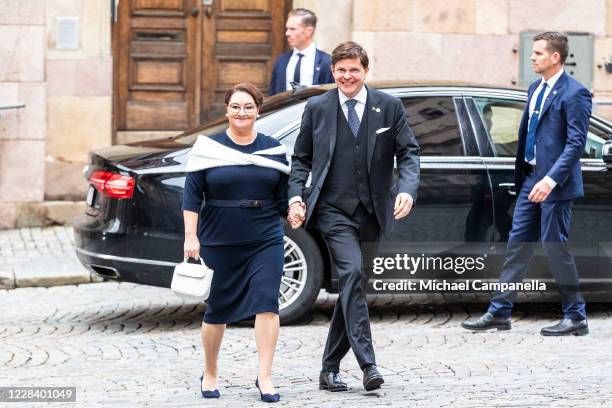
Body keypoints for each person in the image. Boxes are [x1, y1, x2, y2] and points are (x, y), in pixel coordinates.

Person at [287, 41, 420, 392]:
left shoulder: (388, 107)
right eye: (341, 70)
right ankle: (369, 364)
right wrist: (295, 197)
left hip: (373, 211)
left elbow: (408, 152)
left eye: (354, 70)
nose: (347, 76)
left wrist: (406, 189)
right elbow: (301, 158)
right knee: (352, 272)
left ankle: (329, 368)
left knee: (353, 286)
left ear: (365, 71)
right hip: (332, 209)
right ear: (333, 71)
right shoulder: (318, 107)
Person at [462, 32, 592, 336]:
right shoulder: (535, 88)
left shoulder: (576, 94)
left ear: (555, 57)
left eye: (537, 53)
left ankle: (576, 316)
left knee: (554, 246)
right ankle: (499, 312)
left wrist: (550, 180)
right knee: (517, 244)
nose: (532, 58)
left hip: (555, 185)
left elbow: (575, 145)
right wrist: (532, 177)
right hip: (530, 180)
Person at [182, 83, 289, 402]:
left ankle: (265, 377)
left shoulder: (274, 150)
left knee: (268, 303)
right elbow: (191, 196)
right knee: (218, 310)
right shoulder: (207, 148)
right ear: (227, 110)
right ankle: (211, 371)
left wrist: (296, 209)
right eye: (236, 106)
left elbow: (283, 199)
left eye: (248, 107)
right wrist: (191, 237)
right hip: (219, 238)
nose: (242, 112)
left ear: (259, 111)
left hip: (265, 238)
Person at [268, 8, 334, 96]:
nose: (287, 33)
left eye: (292, 29)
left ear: (308, 31)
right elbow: (273, 93)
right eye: (287, 29)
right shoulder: (281, 60)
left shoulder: (327, 61)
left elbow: (332, 94)